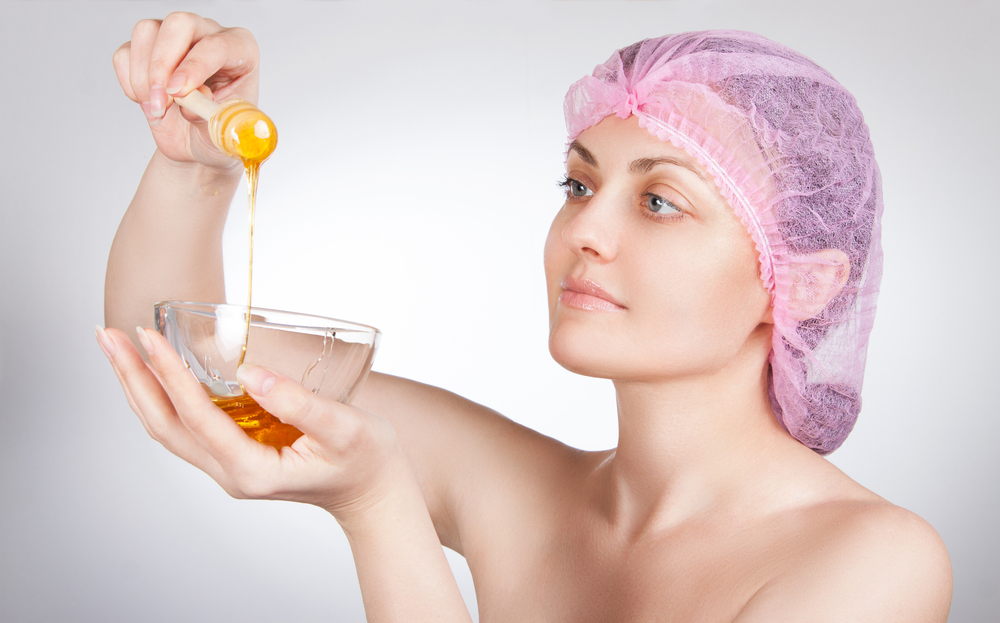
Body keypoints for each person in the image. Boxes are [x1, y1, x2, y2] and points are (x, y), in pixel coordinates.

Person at [97, 13, 952, 622]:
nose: (583, 230)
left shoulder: (875, 562)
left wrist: (376, 504)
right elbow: (181, 358)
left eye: (659, 201)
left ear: (802, 283)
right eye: (578, 184)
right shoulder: (517, 489)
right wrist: (198, 164)